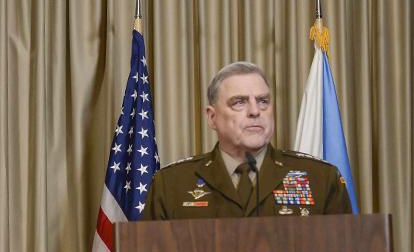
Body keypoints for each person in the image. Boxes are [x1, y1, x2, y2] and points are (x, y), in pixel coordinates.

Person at [142, 61, 351, 220]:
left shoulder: (321, 179)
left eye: (263, 101)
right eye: (239, 102)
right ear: (212, 117)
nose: (255, 111)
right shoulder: (171, 185)